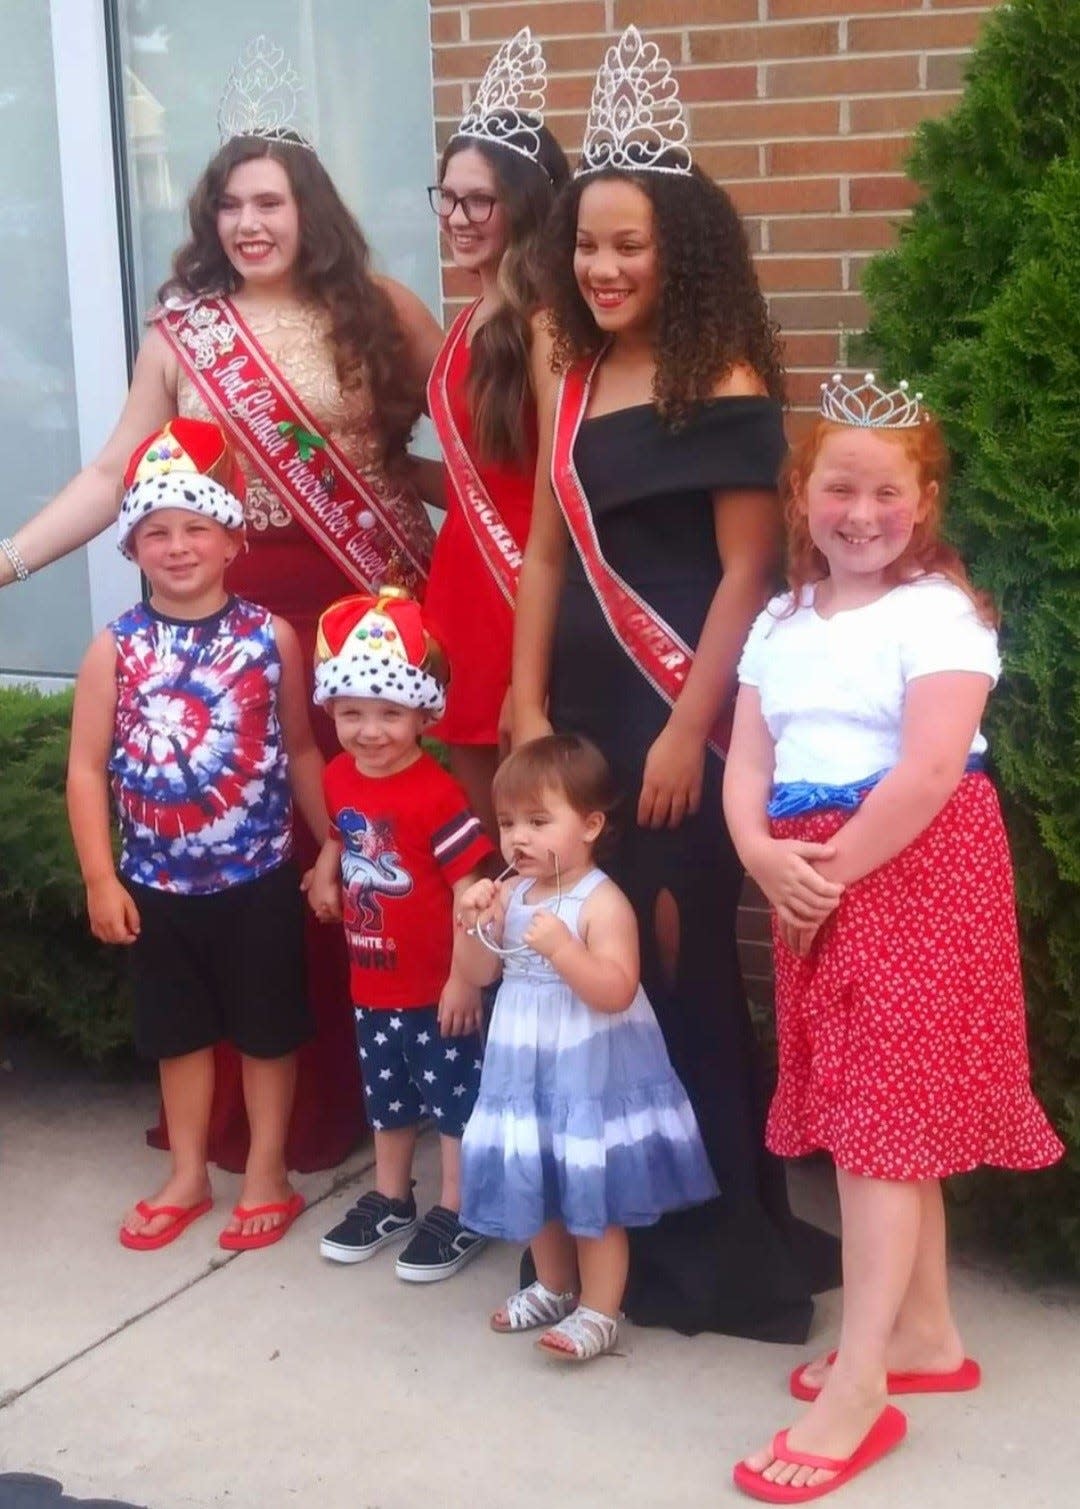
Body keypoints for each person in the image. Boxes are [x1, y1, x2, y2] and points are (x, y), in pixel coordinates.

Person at [0, 107, 446, 1173]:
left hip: (366, 608)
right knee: (264, 861)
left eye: (270, 201)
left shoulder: (381, 307)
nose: (249, 223)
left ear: (310, 210)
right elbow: (114, 476)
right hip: (236, 621)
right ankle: (281, 1117)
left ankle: (394, 1085)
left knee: (369, 842)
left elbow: (471, 439)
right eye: (230, 205)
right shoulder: (184, 331)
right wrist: (10, 559)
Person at [511, 26, 834, 1340]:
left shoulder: (731, 380)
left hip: (678, 718)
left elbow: (749, 572)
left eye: (630, 244)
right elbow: (543, 544)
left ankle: (719, 1244)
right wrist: (524, 709)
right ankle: (619, 1230)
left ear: (680, 247)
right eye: (589, 243)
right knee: (590, 976)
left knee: (675, 971)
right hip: (581, 710)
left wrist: (691, 730)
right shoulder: (569, 366)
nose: (604, 266)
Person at [724, 375, 1064, 1502]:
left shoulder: (941, 615)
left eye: (885, 492)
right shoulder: (779, 622)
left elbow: (928, 772)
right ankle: (925, 1335)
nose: (859, 513)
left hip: (911, 877)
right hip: (810, 883)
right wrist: (763, 856)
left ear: (922, 503)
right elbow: (751, 763)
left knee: (880, 1131)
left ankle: (864, 1382)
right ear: (802, 493)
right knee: (876, 1119)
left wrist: (823, 870)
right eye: (838, 487)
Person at [66, 419, 327, 1250]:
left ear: (231, 539)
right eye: (157, 532)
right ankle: (186, 1169)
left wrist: (335, 848)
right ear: (133, 546)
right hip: (156, 886)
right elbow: (86, 770)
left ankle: (266, 1172)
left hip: (258, 880)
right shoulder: (114, 648)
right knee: (177, 1036)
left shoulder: (271, 638)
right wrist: (102, 879)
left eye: (195, 528)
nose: (177, 547)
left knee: (267, 1029)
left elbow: (304, 748)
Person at [452, 734, 717, 1362]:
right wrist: (470, 922)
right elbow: (478, 974)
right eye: (510, 821)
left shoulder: (602, 900)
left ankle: (601, 1307)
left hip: (587, 1067)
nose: (518, 837)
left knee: (589, 1187)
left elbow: (617, 989)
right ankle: (552, 1284)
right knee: (535, 1172)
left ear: (591, 825)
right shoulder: (511, 895)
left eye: (539, 821)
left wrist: (565, 951)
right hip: (524, 1062)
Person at [305, 588, 495, 1281]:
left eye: (389, 712)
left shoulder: (436, 794)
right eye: (352, 712)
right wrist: (326, 869)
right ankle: (391, 1196)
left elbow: (473, 891)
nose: (370, 729)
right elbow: (341, 830)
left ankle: (461, 1204)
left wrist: (462, 979)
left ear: (423, 713)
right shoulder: (337, 774)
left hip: (436, 989)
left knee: (452, 1104)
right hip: (371, 978)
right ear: (331, 710)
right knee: (386, 1097)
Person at [424, 29, 570, 836]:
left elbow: (551, 489)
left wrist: (531, 676)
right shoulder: (470, 315)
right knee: (491, 846)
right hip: (462, 594)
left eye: (478, 198)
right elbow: (476, 472)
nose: (457, 216)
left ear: (525, 204)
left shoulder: (547, 322)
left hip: (521, 595)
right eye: (446, 196)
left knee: (540, 838)